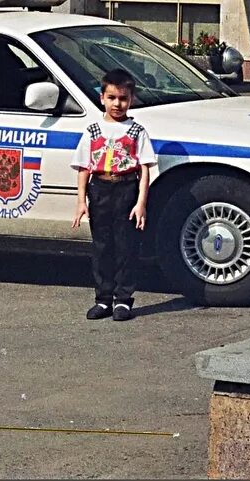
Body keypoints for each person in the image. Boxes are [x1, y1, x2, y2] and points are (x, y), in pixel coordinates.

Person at [70, 68, 157, 322]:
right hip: (100, 190)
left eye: (123, 98)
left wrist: (141, 203)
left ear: (131, 100)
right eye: (112, 98)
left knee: (126, 246)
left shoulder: (136, 131)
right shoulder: (93, 130)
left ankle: (123, 300)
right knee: (102, 246)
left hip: (126, 189)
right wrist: (81, 202)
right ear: (102, 98)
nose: (117, 104)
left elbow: (144, 168)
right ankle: (103, 299)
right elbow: (84, 168)